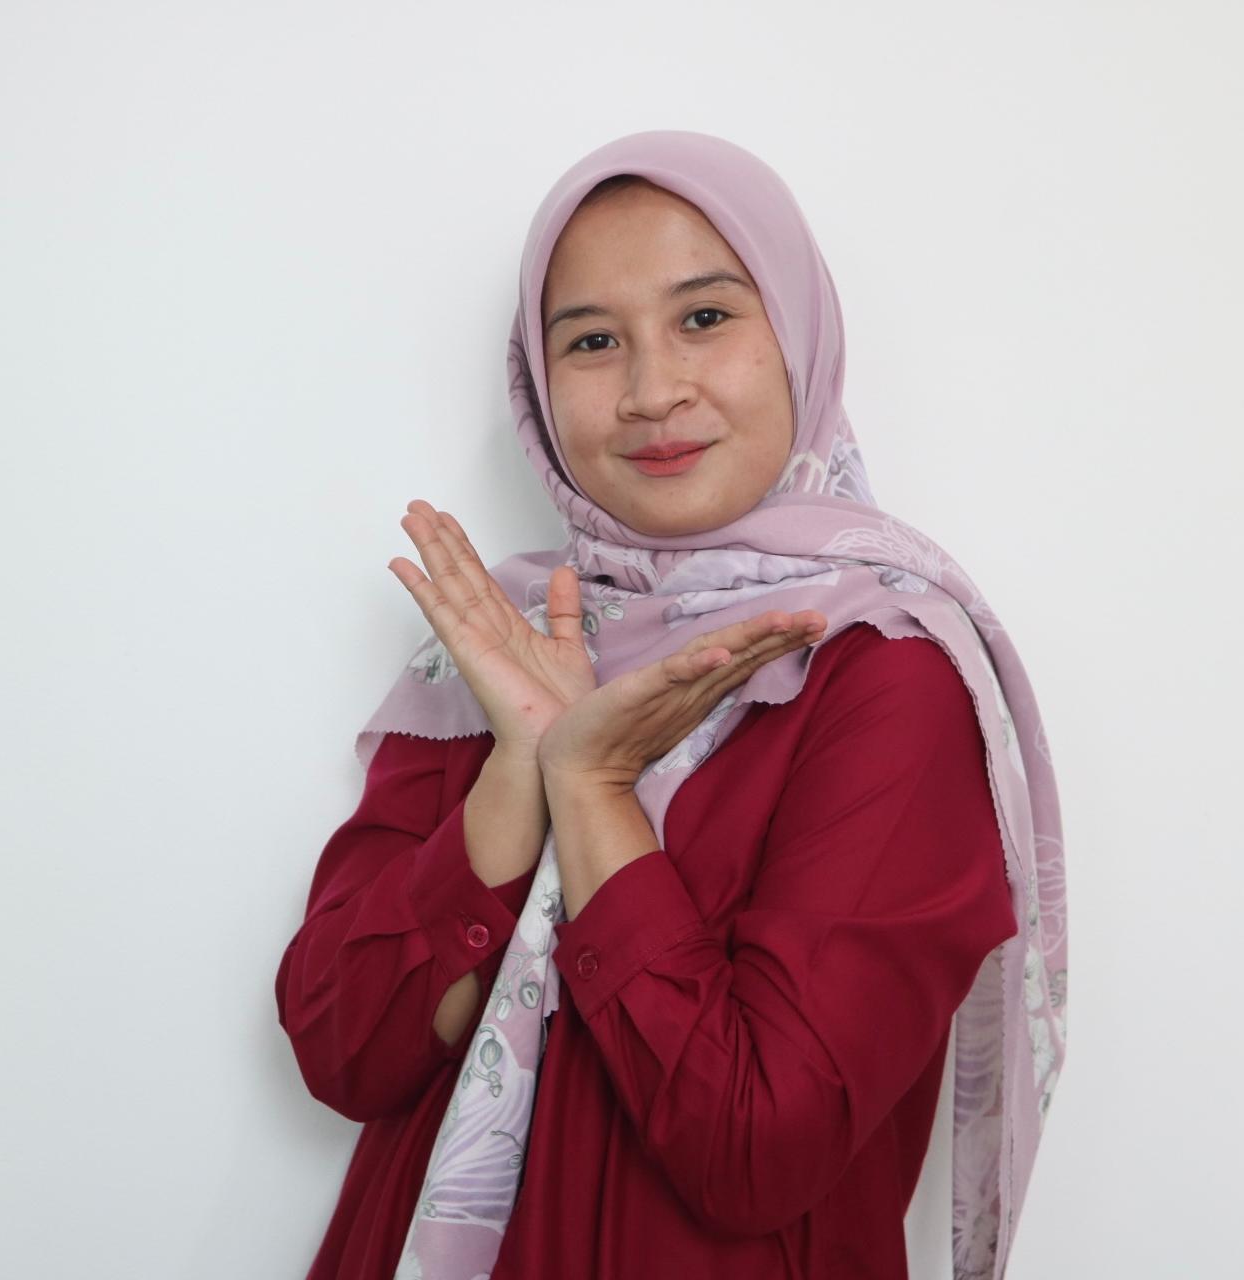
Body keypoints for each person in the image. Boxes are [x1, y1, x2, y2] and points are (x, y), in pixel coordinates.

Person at [275, 130, 1067, 1280]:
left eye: (703, 317)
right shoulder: (495, 640)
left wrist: (592, 788)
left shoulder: (885, 670)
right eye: (592, 340)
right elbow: (345, 1050)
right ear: (538, 381)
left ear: (797, 336)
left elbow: (754, 1146)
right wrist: (518, 766)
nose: (652, 391)